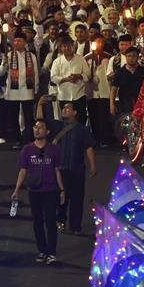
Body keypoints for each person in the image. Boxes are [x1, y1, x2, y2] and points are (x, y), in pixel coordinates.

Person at [35, 97, 96, 235]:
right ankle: (61, 220)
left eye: (68, 108)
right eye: (63, 108)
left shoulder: (82, 129)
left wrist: (93, 165)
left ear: (75, 112)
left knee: (77, 198)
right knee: (61, 197)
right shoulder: (57, 126)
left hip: (77, 168)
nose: (64, 109)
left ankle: (75, 226)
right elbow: (40, 120)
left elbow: (88, 147)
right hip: (60, 169)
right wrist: (39, 104)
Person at [11, 118, 65, 264]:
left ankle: (51, 252)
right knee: (37, 222)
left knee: (50, 221)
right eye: (35, 127)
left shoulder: (54, 150)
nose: (37, 129)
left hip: (50, 190)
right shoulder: (27, 150)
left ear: (47, 132)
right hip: (34, 191)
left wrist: (62, 190)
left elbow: (57, 171)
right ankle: (42, 250)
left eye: (41, 127)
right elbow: (23, 171)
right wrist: (16, 190)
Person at [0, 30, 39, 148]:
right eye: (15, 40)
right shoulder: (9, 55)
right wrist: (4, 64)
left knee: (28, 116)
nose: (17, 43)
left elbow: (35, 73)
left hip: (27, 89)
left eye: (19, 41)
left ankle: (29, 139)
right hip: (13, 90)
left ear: (25, 42)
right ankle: (17, 139)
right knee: (14, 116)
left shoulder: (31, 56)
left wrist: (35, 88)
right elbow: (1, 73)